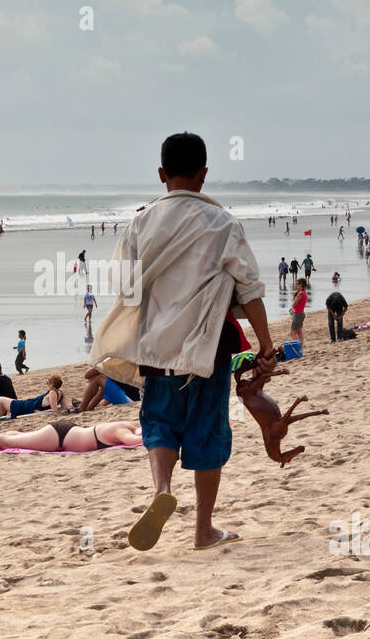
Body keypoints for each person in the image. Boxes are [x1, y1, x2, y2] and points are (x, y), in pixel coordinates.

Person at [89, 132, 274, 552]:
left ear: (161, 175)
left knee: (160, 426)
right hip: (205, 354)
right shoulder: (224, 223)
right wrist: (265, 346)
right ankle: (203, 529)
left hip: (156, 353)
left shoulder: (140, 222)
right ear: (204, 175)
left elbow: (124, 286)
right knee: (207, 437)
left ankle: (161, 490)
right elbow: (251, 290)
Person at [0, 419, 143, 453]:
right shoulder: (123, 430)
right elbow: (137, 441)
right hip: (59, 437)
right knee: (6, 442)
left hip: (64, 433)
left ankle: (12, 433)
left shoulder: (129, 425)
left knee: (17, 437)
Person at [0, 374, 67, 424]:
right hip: (29, 405)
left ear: (52, 384)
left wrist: (41, 412)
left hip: (27, 407)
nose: (47, 384)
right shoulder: (61, 392)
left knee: (0, 400)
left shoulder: (52, 393)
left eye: (48, 382)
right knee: (3, 405)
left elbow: (54, 411)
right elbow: (64, 408)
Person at [288, 279, 307, 343]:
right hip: (301, 313)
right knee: (299, 332)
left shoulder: (301, 293)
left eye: (297, 284)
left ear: (301, 284)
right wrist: (295, 294)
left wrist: (294, 295)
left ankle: (297, 347)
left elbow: (294, 304)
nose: (296, 285)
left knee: (292, 333)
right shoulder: (304, 292)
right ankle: (300, 348)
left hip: (297, 314)